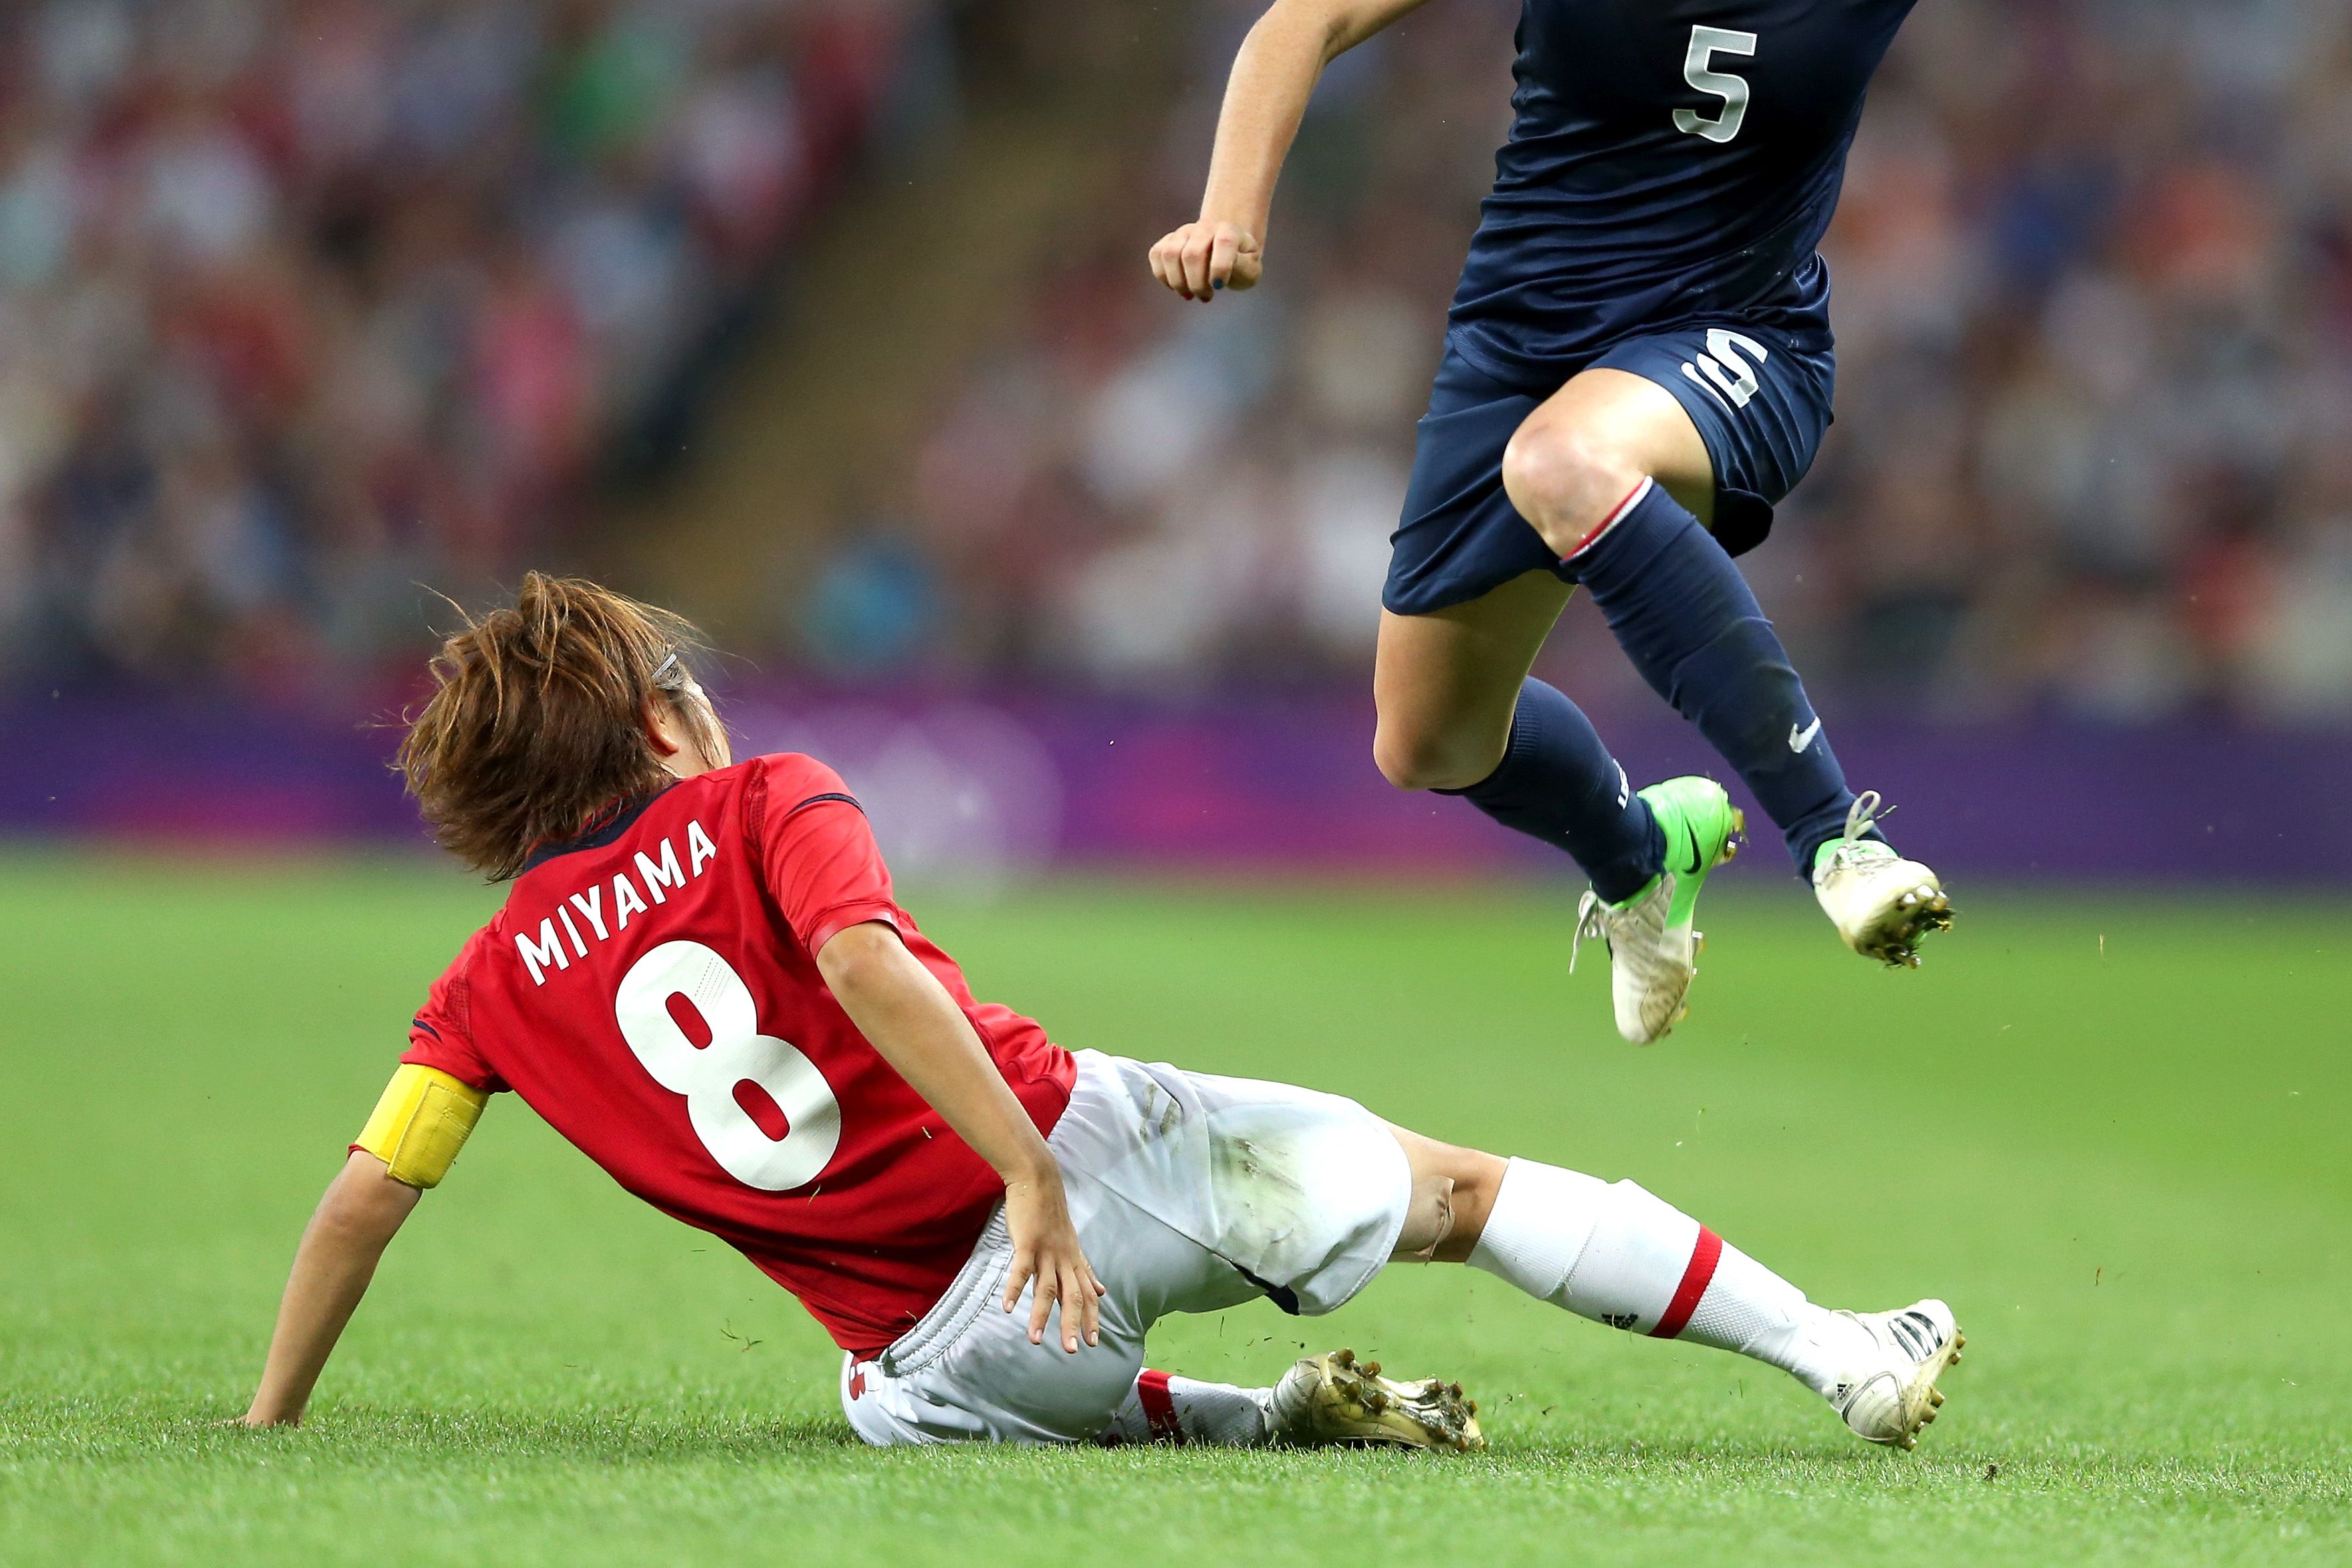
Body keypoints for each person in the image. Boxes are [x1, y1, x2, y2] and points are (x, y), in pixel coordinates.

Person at [239, 575, 1963, 1452]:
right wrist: (1026, 1173)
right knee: (1467, 1198)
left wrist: (270, 1430)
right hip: (1062, 1168)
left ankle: (1255, 1418)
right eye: (674, 681)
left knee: (876, 1402)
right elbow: (861, 967)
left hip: (949, 1368)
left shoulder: (481, 988)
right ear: (656, 727)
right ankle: (1841, 1356)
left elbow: (369, 1195)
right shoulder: (766, 800)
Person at [1148, 0, 2111, 1044]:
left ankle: (1838, 837)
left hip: (1740, 344)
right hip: (1521, 341)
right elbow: (1308, 13)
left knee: (1566, 467)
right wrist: (1232, 208)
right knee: (1429, 738)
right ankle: (1639, 851)